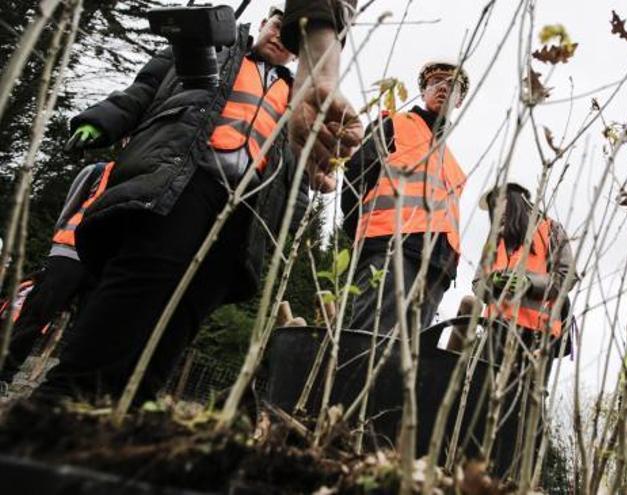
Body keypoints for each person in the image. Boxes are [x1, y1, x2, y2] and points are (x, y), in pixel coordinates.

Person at [37, 3, 360, 403]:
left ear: (297, 50)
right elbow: (143, 90)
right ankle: (61, 398)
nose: (278, 35)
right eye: (275, 25)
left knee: (190, 306)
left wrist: (289, 221)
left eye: (287, 34)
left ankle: (129, 408)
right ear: (261, 25)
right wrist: (101, 119)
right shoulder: (211, 50)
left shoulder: (298, 96)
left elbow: (295, 171)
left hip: (245, 209)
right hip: (183, 181)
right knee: (143, 277)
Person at [342, 60, 469, 334]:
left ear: (459, 101)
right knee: (370, 340)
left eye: (454, 85)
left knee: (407, 358)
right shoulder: (393, 125)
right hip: (390, 248)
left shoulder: (454, 165)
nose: (444, 87)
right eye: (436, 82)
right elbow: (355, 176)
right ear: (423, 92)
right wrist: (360, 236)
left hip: (437, 267)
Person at [0, 162, 111, 386]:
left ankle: (65, 388)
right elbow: (70, 206)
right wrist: (61, 238)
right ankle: (4, 372)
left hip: (105, 265)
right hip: (68, 253)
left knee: (90, 328)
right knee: (35, 315)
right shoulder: (98, 171)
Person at [474, 182, 574, 355]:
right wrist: (492, 284)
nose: (496, 210)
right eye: (492, 206)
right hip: (495, 332)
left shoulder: (551, 230)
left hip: (539, 336)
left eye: (500, 201)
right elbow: (477, 284)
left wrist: (529, 283)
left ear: (517, 199)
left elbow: (567, 277)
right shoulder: (493, 241)